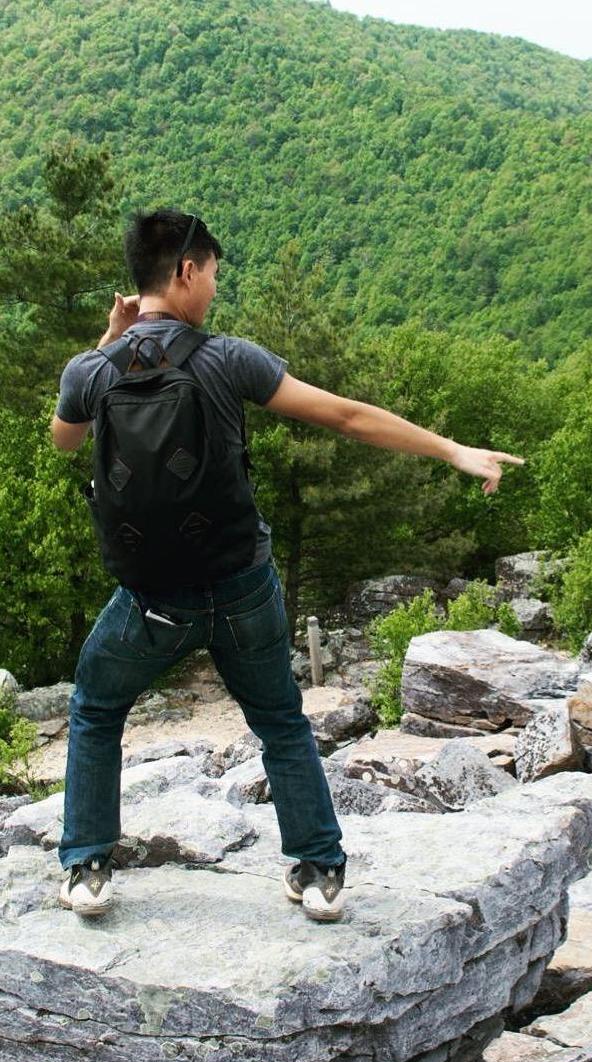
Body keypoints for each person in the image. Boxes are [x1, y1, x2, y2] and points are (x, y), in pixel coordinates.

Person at [50, 209, 524, 922]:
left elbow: (64, 439)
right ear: (184, 272)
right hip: (242, 585)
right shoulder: (227, 358)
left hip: (151, 601)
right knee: (279, 720)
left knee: (95, 707)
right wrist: (453, 450)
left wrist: (110, 341)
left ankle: (87, 866)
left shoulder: (92, 370)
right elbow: (345, 417)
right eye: (210, 273)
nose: (213, 287)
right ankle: (318, 871)